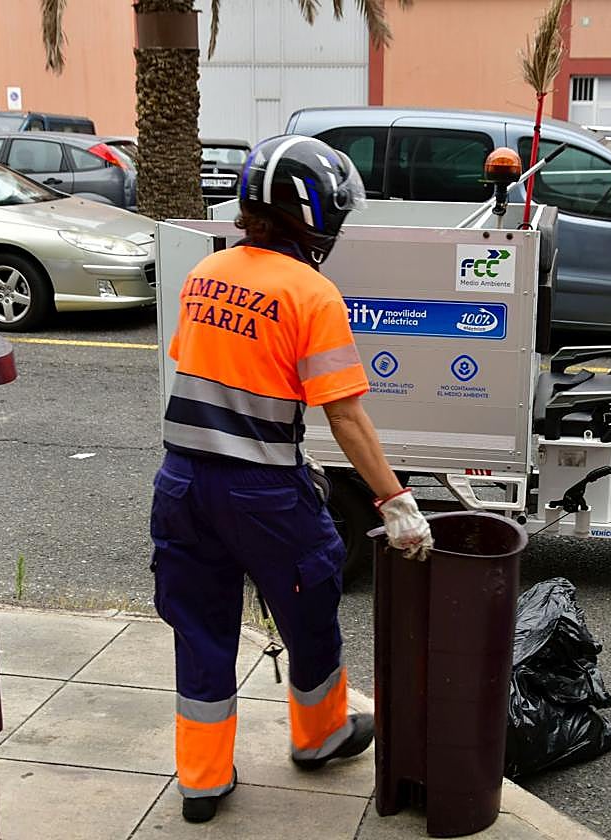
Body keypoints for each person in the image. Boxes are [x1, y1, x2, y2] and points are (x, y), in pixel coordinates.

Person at [149, 134, 434, 824]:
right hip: (263, 494)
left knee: (201, 630)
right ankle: (318, 737)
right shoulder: (313, 293)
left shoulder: (205, 274)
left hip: (180, 484)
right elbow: (346, 417)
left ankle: (203, 782)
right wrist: (396, 501)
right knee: (310, 615)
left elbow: (201, 364)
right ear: (317, 215)